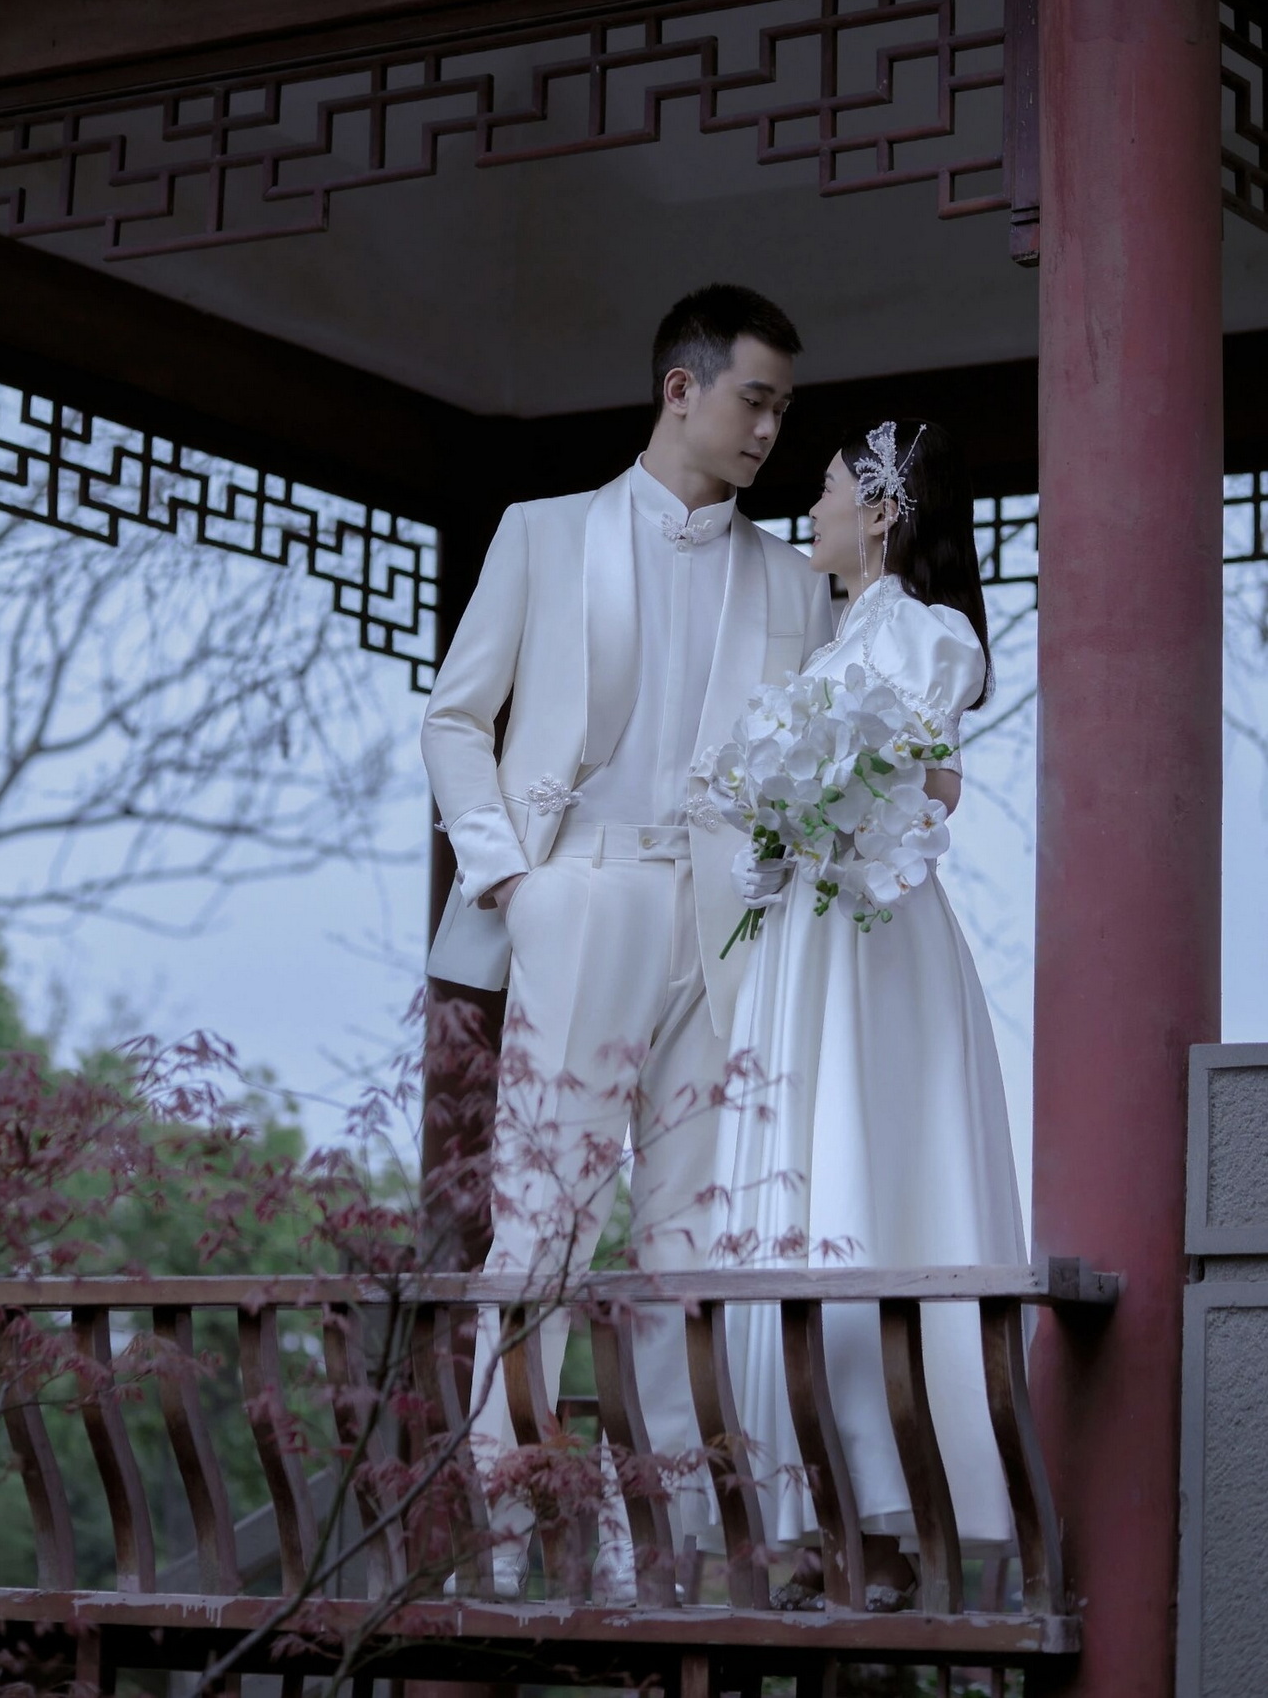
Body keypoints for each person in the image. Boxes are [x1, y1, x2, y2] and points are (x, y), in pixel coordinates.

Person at [421, 284, 834, 1601]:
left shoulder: (791, 580)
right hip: (580, 888)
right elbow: (454, 716)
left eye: (781, 409)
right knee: (542, 1214)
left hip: (720, 920)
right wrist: (509, 877)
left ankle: (666, 1533)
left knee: (687, 1236)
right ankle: (504, 1519)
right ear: (680, 388)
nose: (767, 429)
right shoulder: (544, 533)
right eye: (753, 399)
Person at [714, 420, 1027, 1607]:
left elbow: (929, 784)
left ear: (882, 511)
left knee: (871, 1174)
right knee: (797, 1175)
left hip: (871, 932)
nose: (812, 508)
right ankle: (809, 1513)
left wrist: (826, 799)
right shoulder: (839, 636)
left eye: (828, 488)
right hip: (807, 931)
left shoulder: (925, 634)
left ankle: (886, 1522)